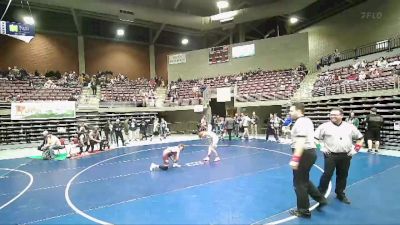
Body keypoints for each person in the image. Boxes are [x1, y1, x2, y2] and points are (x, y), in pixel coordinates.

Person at [315, 108, 364, 205]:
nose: (332, 116)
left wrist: (356, 149)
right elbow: (315, 139)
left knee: (343, 175)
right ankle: (320, 194)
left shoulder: (350, 127)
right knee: (327, 175)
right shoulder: (324, 126)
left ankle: (340, 193)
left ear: (342, 115)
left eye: (335, 114)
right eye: (331, 114)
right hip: (330, 155)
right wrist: (321, 147)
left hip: (346, 155)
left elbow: (360, 138)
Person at [288, 103, 327, 218]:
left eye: (291, 110)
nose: (289, 113)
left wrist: (295, 158)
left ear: (299, 110)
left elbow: (301, 140)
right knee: (304, 180)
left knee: (299, 183)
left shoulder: (301, 122)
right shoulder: (305, 121)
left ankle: (303, 210)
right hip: (307, 153)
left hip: (303, 154)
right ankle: (321, 199)